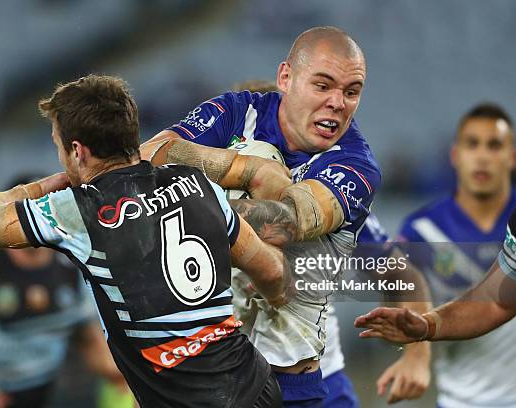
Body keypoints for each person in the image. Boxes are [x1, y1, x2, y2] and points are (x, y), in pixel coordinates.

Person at [0, 75, 291, 407]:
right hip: (257, 387)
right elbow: (271, 271)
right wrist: (274, 299)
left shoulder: (78, 210)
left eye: (59, 145)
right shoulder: (198, 184)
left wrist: (40, 187)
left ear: (77, 150)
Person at [141, 26, 382, 407]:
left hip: (288, 384)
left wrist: (194, 206)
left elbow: (290, 219)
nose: (338, 102)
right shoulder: (237, 112)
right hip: (206, 372)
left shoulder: (355, 165)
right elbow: (151, 155)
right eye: (323, 86)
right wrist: (243, 169)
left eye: (352, 92)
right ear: (286, 77)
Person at [230, 80, 432, 406]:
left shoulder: (330, 210)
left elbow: (401, 274)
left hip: (315, 385)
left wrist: (417, 358)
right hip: (229, 387)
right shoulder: (203, 204)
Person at [357, 104, 516, 408]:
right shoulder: (423, 229)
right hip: (460, 396)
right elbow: (400, 300)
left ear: (512, 157)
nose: (482, 157)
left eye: (494, 146)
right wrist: (416, 349)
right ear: (455, 155)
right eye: (472, 144)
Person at [0, 174, 124, 408]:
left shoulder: (72, 267)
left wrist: (126, 372)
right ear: (10, 216)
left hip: (51, 395)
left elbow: (88, 338)